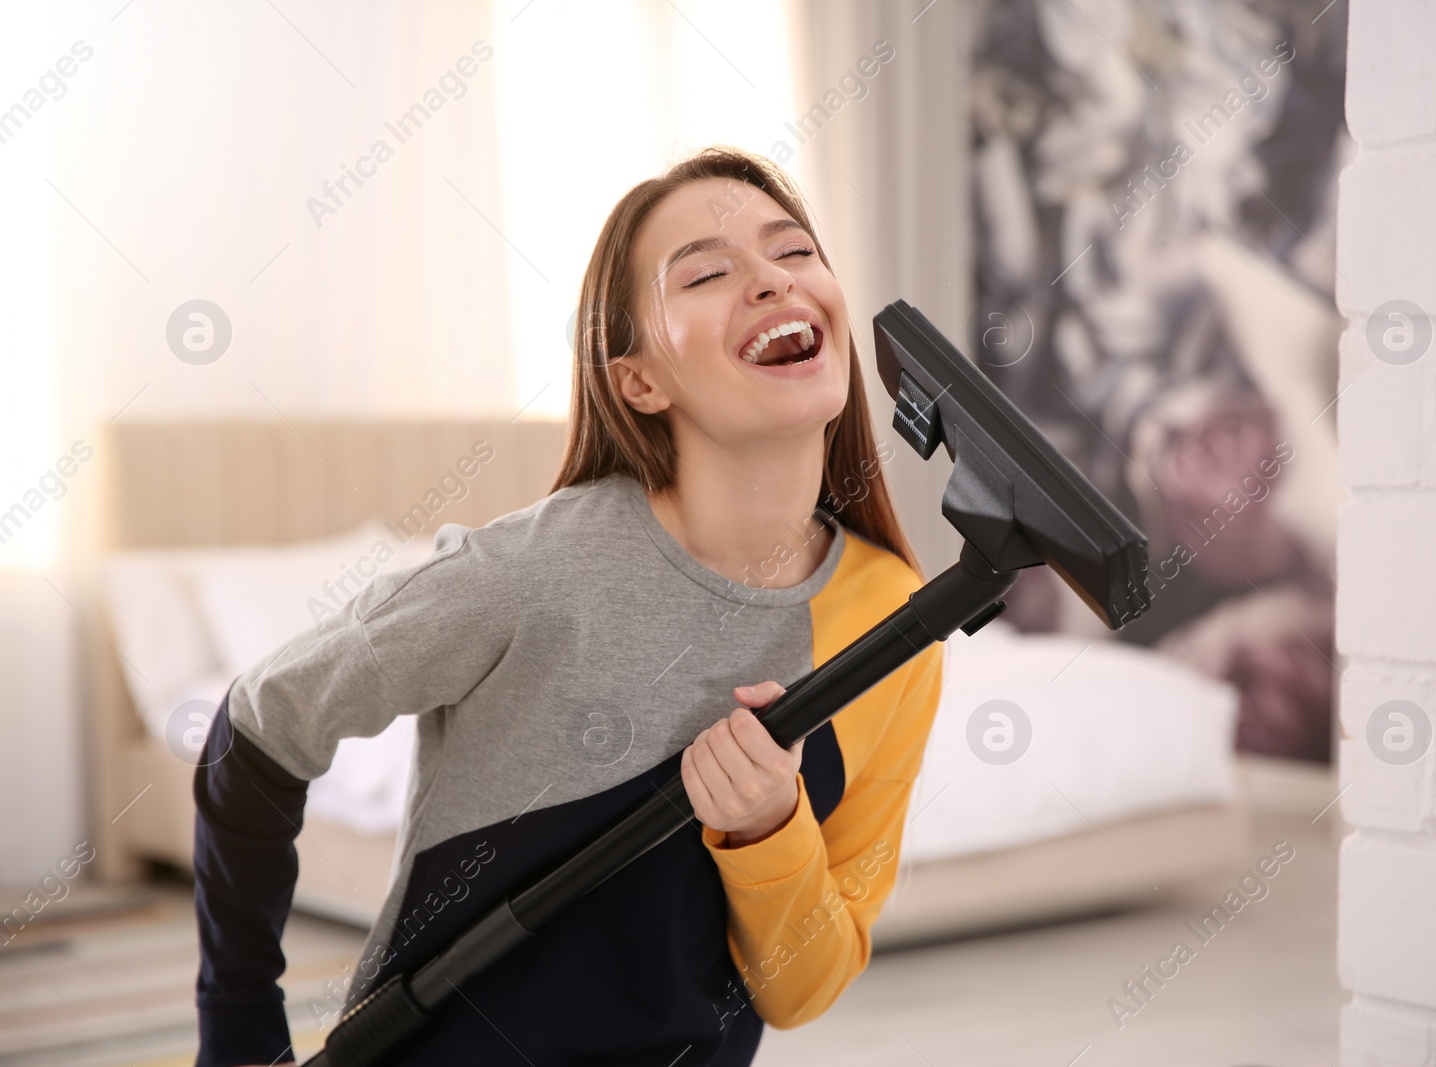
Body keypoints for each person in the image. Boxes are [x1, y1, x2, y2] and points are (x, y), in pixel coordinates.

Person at [193, 145, 945, 1066]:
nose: (768, 282)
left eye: (793, 253)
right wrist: (237, 1033)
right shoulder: (529, 573)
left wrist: (767, 827)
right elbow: (262, 723)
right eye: (707, 272)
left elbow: (803, 987)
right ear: (639, 380)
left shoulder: (893, 617)